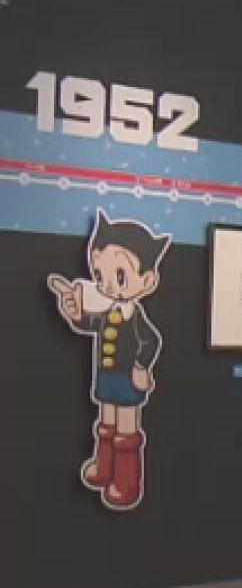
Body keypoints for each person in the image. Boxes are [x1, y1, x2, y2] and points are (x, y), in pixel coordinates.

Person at [46, 210, 172, 511]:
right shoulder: (107, 310)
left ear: (147, 281)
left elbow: (151, 341)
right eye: (100, 275)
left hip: (128, 378)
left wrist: (141, 368)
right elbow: (91, 326)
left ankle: (126, 482)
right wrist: (76, 312)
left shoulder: (135, 316)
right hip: (106, 375)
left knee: (126, 429)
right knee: (106, 423)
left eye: (119, 276)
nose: (107, 286)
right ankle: (104, 467)